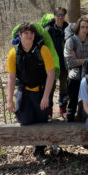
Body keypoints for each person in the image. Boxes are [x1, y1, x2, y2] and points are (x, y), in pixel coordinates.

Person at [6, 23, 55, 164]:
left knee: (42, 120)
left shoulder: (43, 50)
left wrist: (46, 97)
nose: (29, 35)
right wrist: (10, 100)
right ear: (19, 35)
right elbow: (10, 77)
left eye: (31, 32)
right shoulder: (13, 53)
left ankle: (39, 149)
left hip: (41, 91)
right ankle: (33, 141)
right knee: (25, 120)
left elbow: (51, 75)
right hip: (24, 91)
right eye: (25, 33)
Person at [64, 17, 88, 122]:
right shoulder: (71, 41)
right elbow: (70, 62)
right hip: (74, 73)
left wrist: (79, 60)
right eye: (82, 27)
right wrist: (87, 60)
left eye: (87, 27)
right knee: (72, 100)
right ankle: (69, 119)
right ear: (78, 27)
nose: (85, 30)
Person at [45, 7, 69, 119]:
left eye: (62, 15)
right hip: (53, 63)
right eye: (58, 15)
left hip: (65, 62)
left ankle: (63, 108)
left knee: (64, 86)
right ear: (54, 16)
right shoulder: (49, 29)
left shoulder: (68, 28)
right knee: (51, 86)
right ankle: (49, 110)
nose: (60, 17)